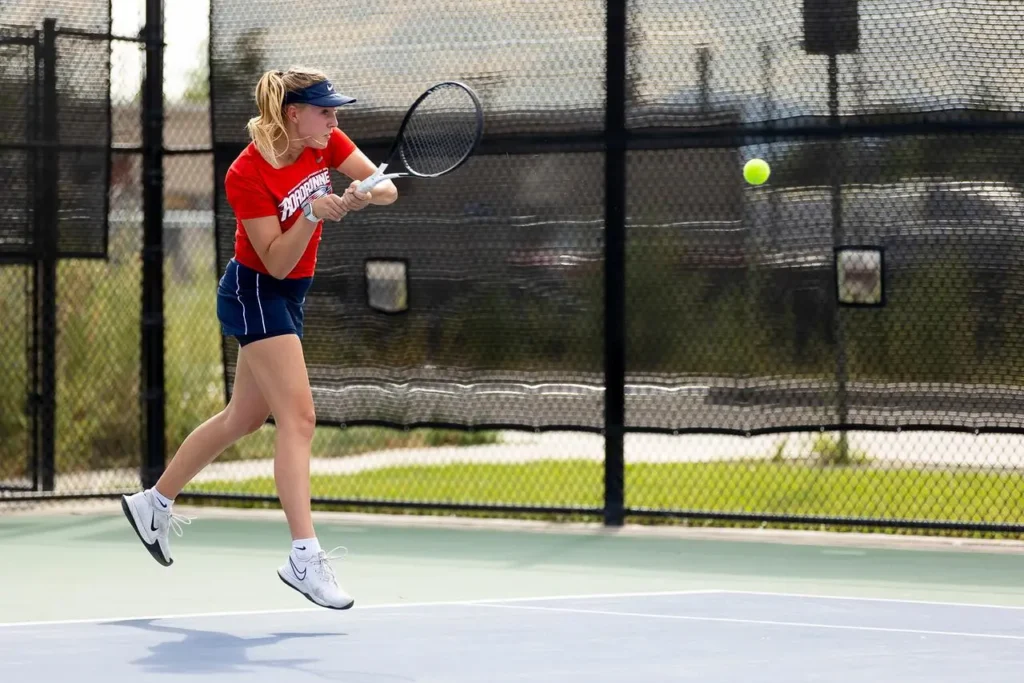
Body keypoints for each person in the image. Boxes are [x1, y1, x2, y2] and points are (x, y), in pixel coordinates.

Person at [120, 66, 398, 611]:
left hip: (291, 294)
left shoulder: (327, 140)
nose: (335, 119)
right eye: (325, 110)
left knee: (242, 419)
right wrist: (313, 215)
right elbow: (274, 260)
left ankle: (153, 502)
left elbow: (385, 187)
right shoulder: (246, 173)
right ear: (293, 114)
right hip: (256, 290)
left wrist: (361, 193)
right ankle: (304, 555)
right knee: (299, 418)